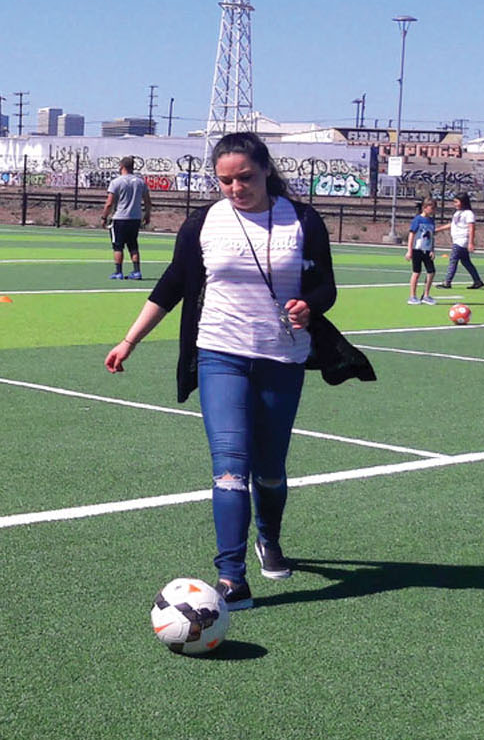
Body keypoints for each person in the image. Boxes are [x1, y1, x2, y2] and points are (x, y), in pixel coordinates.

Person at [103, 132, 338, 611]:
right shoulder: (204, 223)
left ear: (266, 169)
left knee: (269, 470)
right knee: (230, 467)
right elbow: (172, 285)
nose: (235, 188)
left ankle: (268, 538)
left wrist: (307, 307)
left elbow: (326, 287)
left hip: (281, 358)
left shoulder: (304, 220)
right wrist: (130, 340)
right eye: (225, 180)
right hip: (219, 354)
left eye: (245, 177)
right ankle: (231, 576)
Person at [99, 156, 151, 280]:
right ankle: (137, 271)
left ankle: (118, 272)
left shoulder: (116, 182)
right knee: (133, 245)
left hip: (120, 218)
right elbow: (148, 202)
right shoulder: (140, 182)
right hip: (135, 219)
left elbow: (109, 203)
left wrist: (103, 217)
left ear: (121, 167)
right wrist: (147, 215)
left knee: (118, 246)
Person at [442, 193, 484, 290]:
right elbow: (451, 225)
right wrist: (437, 229)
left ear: (463, 202)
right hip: (457, 240)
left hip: (462, 241)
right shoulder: (457, 213)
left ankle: (447, 282)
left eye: (456, 202)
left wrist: (471, 242)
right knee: (466, 262)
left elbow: (471, 228)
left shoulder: (468, 213)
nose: (454, 204)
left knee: (453, 260)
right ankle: (477, 281)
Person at [405, 199, 439, 305]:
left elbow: (432, 236)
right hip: (417, 249)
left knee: (431, 272)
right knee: (416, 272)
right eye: (431, 208)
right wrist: (409, 250)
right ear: (425, 207)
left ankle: (426, 295)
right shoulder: (418, 219)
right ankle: (412, 296)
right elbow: (412, 234)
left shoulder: (431, 221)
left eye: (434, 208)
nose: (433, 210)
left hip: (427, 250)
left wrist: (432, 249)